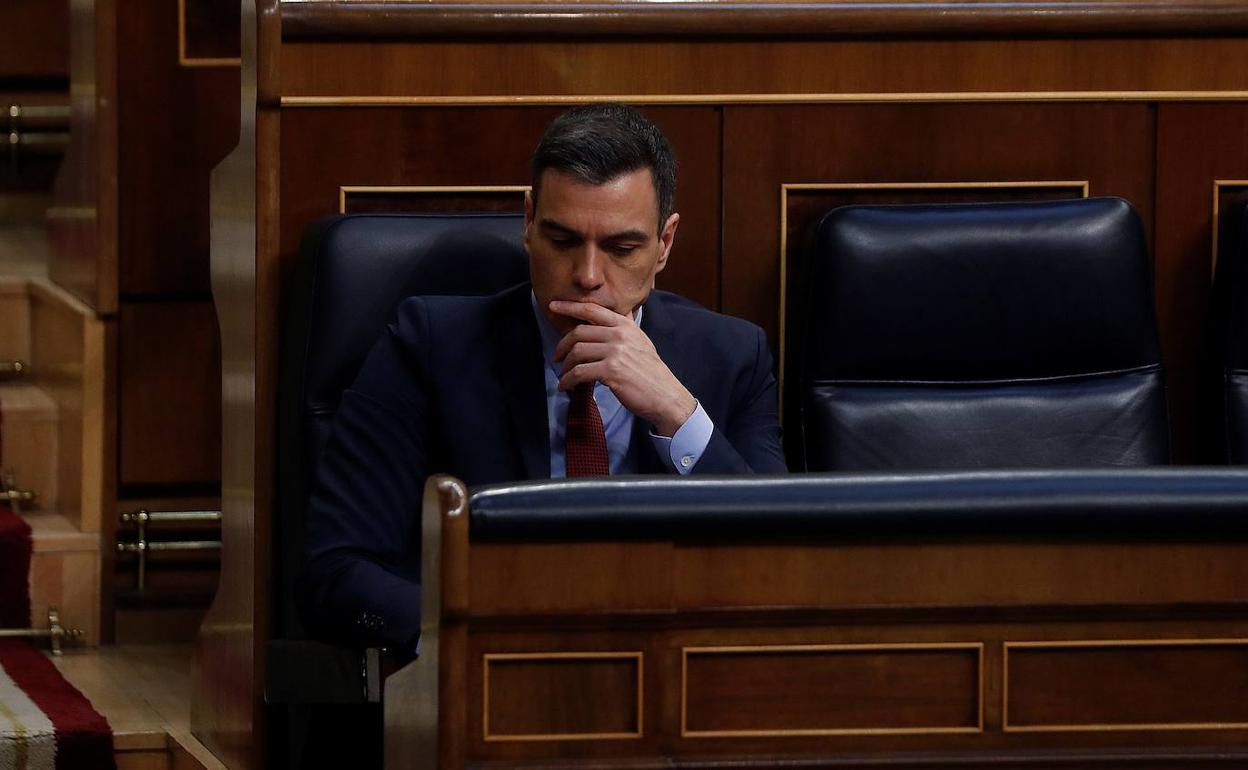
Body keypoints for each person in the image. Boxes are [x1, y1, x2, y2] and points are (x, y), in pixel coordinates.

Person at [300, 104, 786, 648]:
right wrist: (490, 635)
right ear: (528, 222)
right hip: (488, 664)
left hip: (672, 669)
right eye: (563, 241)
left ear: (664, 244)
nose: (588, 276)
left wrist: (678, 414)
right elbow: (334, 570)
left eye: (621, 248)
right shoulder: (429, 347)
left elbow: (779, 565)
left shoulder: (732, 356)